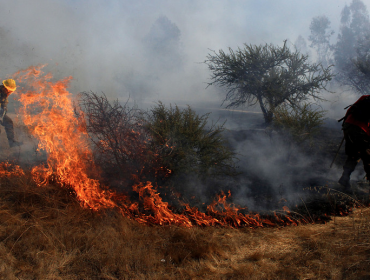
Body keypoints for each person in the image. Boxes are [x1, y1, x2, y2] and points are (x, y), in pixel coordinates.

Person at [339, 95, 370, 190]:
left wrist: (346, 126)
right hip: (361, 130)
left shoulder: (365, 97)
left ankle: (344, 178)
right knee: (368, 157)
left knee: (354, 154)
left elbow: (350, 110)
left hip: (348, 126)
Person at [0, 79, 22, 148]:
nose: (10, 92)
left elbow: (4, 104)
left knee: (8, 122)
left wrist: (4, 109)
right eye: (9, 90)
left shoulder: (4, 94)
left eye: (11, 91)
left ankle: (12, 143)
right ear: (4, 87)